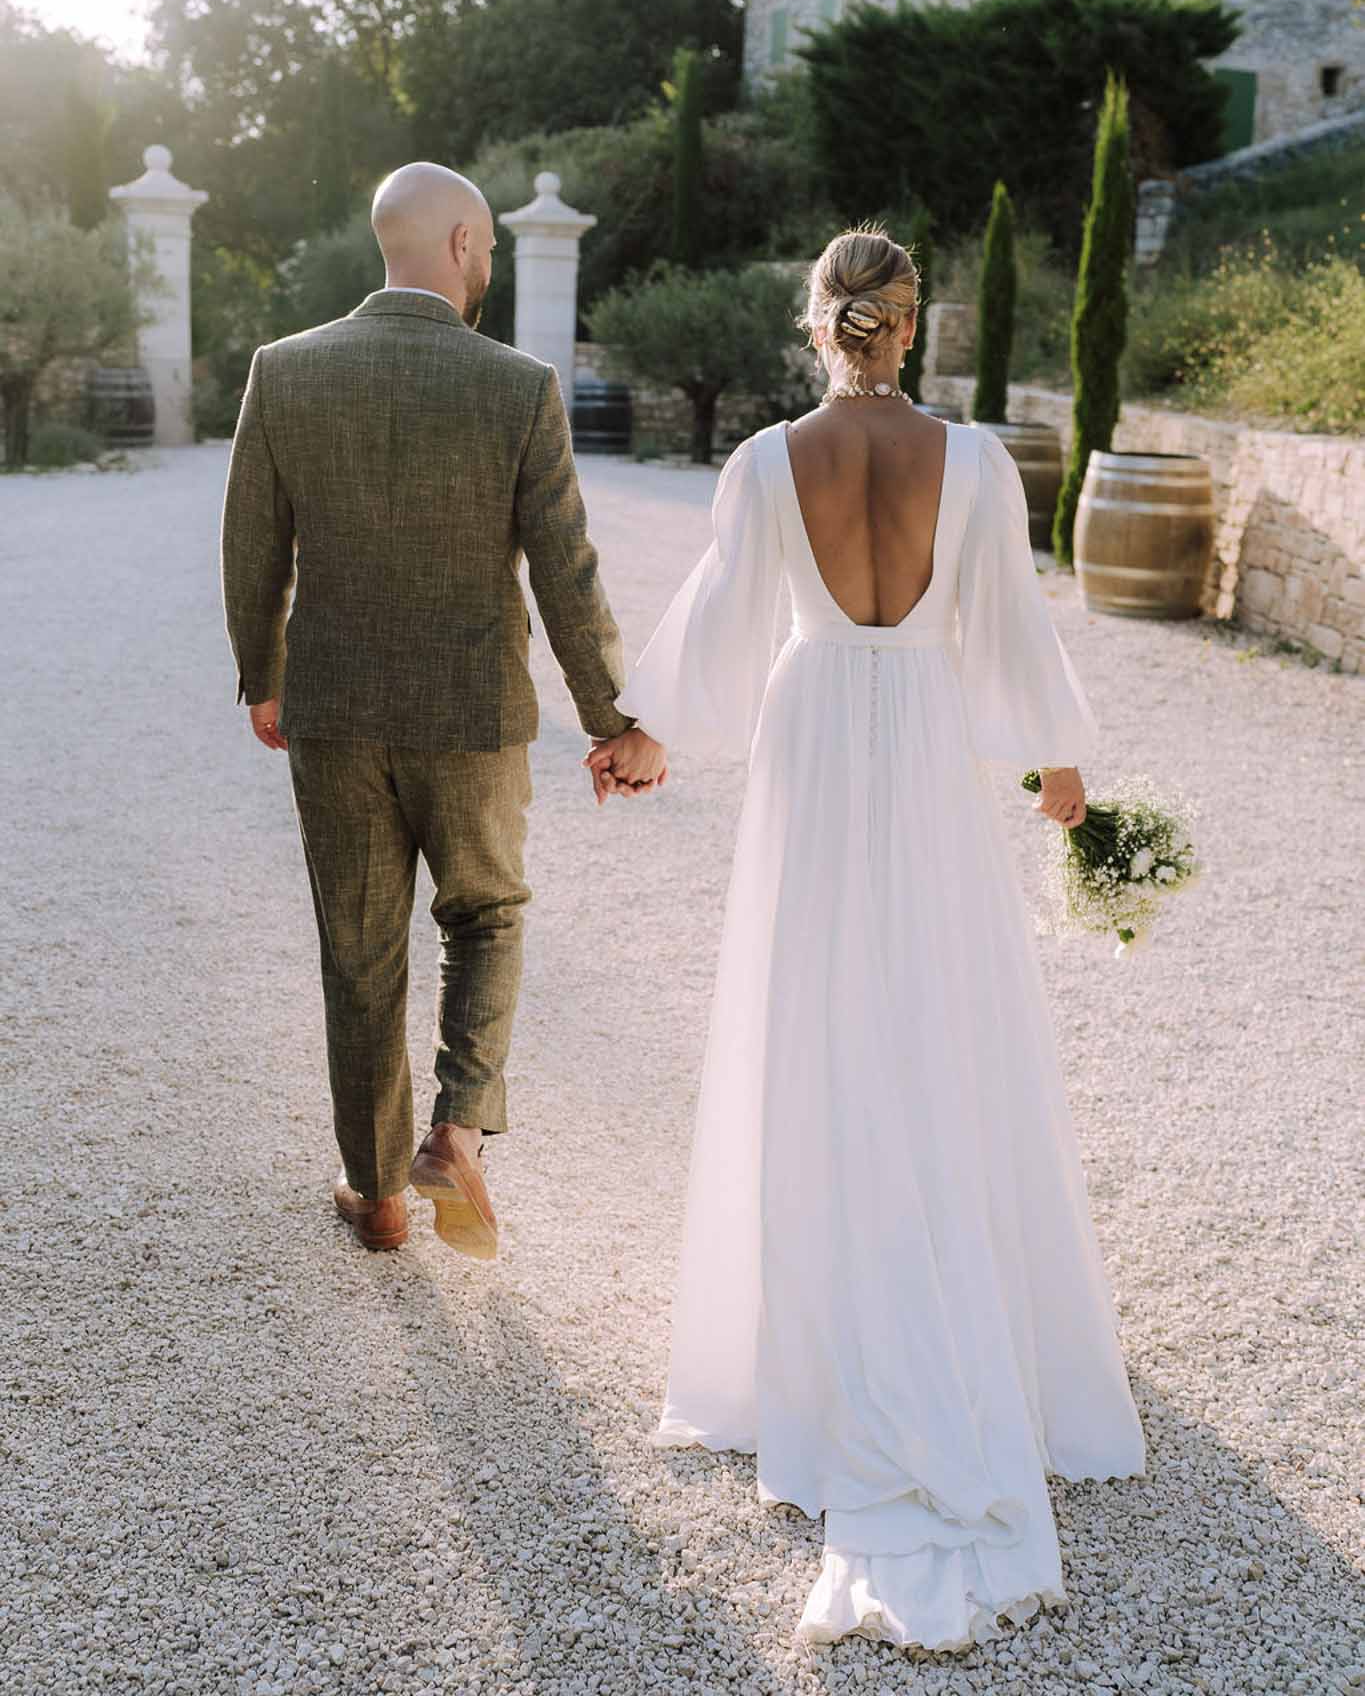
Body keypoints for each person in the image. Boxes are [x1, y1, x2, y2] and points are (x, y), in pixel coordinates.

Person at [586, 227, 1146, 1655]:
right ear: (912, 329)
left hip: (818, 733)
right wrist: (1061, 770)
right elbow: (1012, 626)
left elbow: (720, 622)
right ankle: (955, 1306)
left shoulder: (767, 461)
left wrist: (648, 737)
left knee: (817, 1019)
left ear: (821, 326)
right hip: (929, 742)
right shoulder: (974, 463)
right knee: (939, 1018)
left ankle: (821, 1333)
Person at [220, 162, 661, 1258]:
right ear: (463, 240)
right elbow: (568, 570)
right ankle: (457, 1129)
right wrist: (612, 718)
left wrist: (263, 674)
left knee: (358, 946)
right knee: (487, 912)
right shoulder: (517, 385)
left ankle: (375, 1193)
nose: (492, 268)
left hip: (332, 706)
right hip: (471, 709)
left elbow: (250, 546)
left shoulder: (285, 370)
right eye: (493, 251)